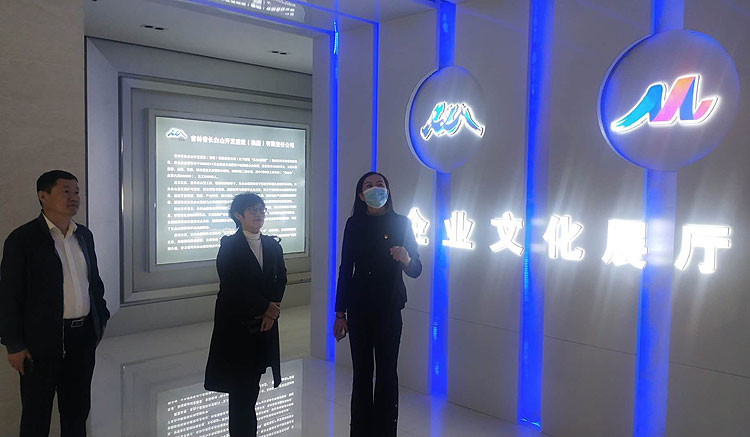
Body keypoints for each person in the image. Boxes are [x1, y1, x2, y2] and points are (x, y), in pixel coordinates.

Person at [0, 170, 110, 437]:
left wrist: (101, 319)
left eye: (77, 192)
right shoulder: (22, 239)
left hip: (81, 340)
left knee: (76, 412)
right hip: (40, 344)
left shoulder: (84, 235)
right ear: (43, 196)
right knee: (36, 416)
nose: (74, 197)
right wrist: (14, 344)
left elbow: (94, 282)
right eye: (66, 191)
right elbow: (9, 295)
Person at [333, 171, 422, 437]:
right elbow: (345, 268)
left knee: (386, 373)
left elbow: (416, 269)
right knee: (361, 373)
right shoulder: (354, 224)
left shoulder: (402, 223)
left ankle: (385, 431)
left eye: (380, 184)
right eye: (369, 186)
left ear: (388, 191)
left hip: (389, 308)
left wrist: (406, 259)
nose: (375, 189)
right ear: (361, 195)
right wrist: (340, 312)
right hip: (359, 308)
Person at [204, 192, 287, 437]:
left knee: (252, 386)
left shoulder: (272, 245)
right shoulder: (229, 246)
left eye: (261, 209)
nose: (259, 214)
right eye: (253, 210)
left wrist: (272, 310)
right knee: (241, 391)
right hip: (238, 326)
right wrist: (265, 307)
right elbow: (232, 286)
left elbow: (281, 279)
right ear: (238, 215)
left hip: (265, 325)